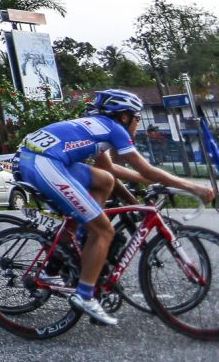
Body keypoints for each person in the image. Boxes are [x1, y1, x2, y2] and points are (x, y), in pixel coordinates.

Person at [19, 88, 216, 326]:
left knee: (103, 181)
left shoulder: (96, 126)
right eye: (137, 118)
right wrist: (193, 187)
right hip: (44, 163)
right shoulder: (114, 129)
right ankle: (85, 295)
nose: (138, 123)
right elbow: (145, 169)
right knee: (104, 230)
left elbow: (111, 171)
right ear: (124, 116)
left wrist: (137, 196)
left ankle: (76, 243)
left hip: (38, 158)